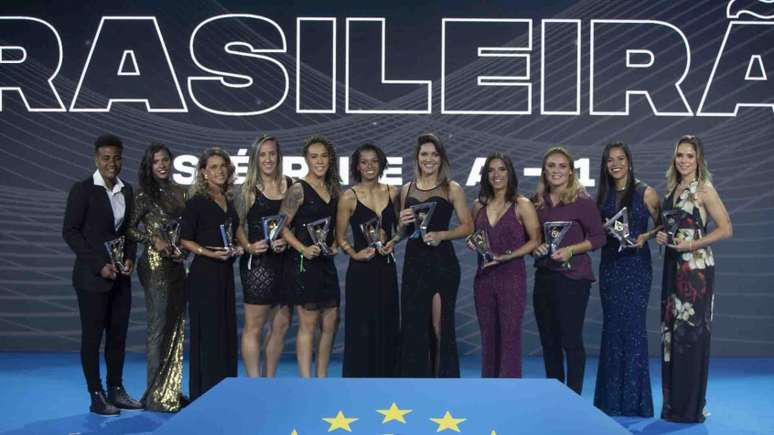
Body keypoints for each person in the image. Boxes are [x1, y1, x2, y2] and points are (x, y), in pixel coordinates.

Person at [62, 133, 143, 415]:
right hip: (92, 278)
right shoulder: (82, 189)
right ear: (97, 158)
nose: (112, 163)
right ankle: (96, 394)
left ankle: (116, 390)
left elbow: (129, 231)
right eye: (106, 158)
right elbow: (70, 232)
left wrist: (131, 257)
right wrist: (99, 265)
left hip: (121, 278)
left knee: (118, 336)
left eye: (117, 157)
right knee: (93, 338)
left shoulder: (127, 190)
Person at [656, 135, 732, 423]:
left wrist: (691, 245)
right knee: (671, 335)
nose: (684, 160)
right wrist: (663, 236)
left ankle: (690, 408)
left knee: (691, 336)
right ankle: (674, 405)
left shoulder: (704, 189)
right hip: (672, 265)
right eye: (680, 155)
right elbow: (672, 227)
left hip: (696, 269)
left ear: (699, 159)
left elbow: (726, 228)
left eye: (690, 156)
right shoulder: (673, 188)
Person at [531, 146, 606, 394]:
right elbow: (530, 240)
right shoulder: (536, 204)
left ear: (571, 172)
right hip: (544, 277)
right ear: (544, 170)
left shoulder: (582, 202)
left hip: (573, 278)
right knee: (548, 341)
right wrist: (537, 248)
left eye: (562, 166)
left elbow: (599, 238)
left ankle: (573, 396)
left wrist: (572, 249)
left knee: (570, 340)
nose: (556, 171)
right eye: (551, 166)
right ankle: (556, 395)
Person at [397, 133, 473, 377]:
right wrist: (400, 224)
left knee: (440, 326)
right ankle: (416, 382)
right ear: (417, 158)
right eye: (424, 154)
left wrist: (442, 235)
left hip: (442, 263)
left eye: (434, 155)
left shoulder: (452, 188)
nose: (429, 159)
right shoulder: (406, 189)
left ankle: (443, 381)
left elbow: (467, 226)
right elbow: (401, 234)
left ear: (441, 159)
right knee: (414, 326)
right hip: (414, 262)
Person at [593, 142, 659, 417]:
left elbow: (665, 224)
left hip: (636, 268)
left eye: (620, 159)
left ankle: (635, 401)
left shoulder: (646, 192)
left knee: (633, 332)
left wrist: (646, 236)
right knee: (612, 330)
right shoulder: (602, 195)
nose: (615, 164)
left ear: (629, 162)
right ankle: (610, 401)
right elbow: (595, 232)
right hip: (610, 268)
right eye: (610, 160)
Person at [127, 143, 188, 412]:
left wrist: (182, 249)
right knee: (159, 328)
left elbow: (186, 229)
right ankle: (154, 394)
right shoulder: (143, 195)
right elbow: (127, 228)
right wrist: (152, 240)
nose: (162, 165)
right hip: (154, 266)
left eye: (165, 160)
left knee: (176, 327)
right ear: (148, 166)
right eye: (156, 162)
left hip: (177, 264)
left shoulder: (181, 192)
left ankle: (170, 390)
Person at [468, 153, 540, 378]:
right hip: (484, 279)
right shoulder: (478, 205)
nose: (496, 175)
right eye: (491, 170)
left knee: (509, 336)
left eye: (501, 169)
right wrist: (471, 242)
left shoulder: (522, 204)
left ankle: (510, 389)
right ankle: (489, 388)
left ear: (510, 173)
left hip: (512, 278)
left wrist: (509, 256)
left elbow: (535, 240)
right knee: (488, 335)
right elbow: (474, 236)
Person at [179, 148, 243, 400]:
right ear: (204, 173)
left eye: (222, 166)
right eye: (213, 167)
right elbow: (185, 240)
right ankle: (203, 394)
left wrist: (238, 249)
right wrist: (208, 253)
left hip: (224, 274)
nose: (219, 171)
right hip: (204, 275)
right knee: (207, 334)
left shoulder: (229, 201)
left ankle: (224, 393)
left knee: (224, 332)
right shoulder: (196, 202)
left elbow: (234, 233)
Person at [336, 143, 400, 377]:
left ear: (381, 163)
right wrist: (354, 253)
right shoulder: (349, 197)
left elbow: (402, 230)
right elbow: (340, 237)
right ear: (357, 166)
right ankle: (359, 377)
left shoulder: (394, 193)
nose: (370, 166)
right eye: (364, 162)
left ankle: (388, 376)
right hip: (361, 270)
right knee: (361, 325)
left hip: (386, 266)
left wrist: (392, 241)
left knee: (388, 320)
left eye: (374, 161)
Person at [279, 136, 341, 378]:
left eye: (324, 156)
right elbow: (281, 227)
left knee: (330, 325)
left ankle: (321, 377)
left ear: (330, 158)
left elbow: (337, 226)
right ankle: (306, 380)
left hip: (327, 264)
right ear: (306, 159)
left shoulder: (334, 189)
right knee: (308, 325)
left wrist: (335, 244)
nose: (319, 161)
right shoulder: (298, 189)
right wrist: (302, 248)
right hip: (304, 265)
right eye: (314, 156)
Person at [236, 136, 292, 378]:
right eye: (263, 154)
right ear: (255, 159)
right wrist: (248, 246)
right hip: (258, 264)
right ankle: (253, 382)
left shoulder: (291, 185)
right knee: (255, 326)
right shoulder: (248, 190)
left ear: (278, 156)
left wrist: (287, 243)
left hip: (285, 262)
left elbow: (294, 224)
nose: (268, 159)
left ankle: (269, 380)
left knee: (281, 324)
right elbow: (235, 225)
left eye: (272, 154)